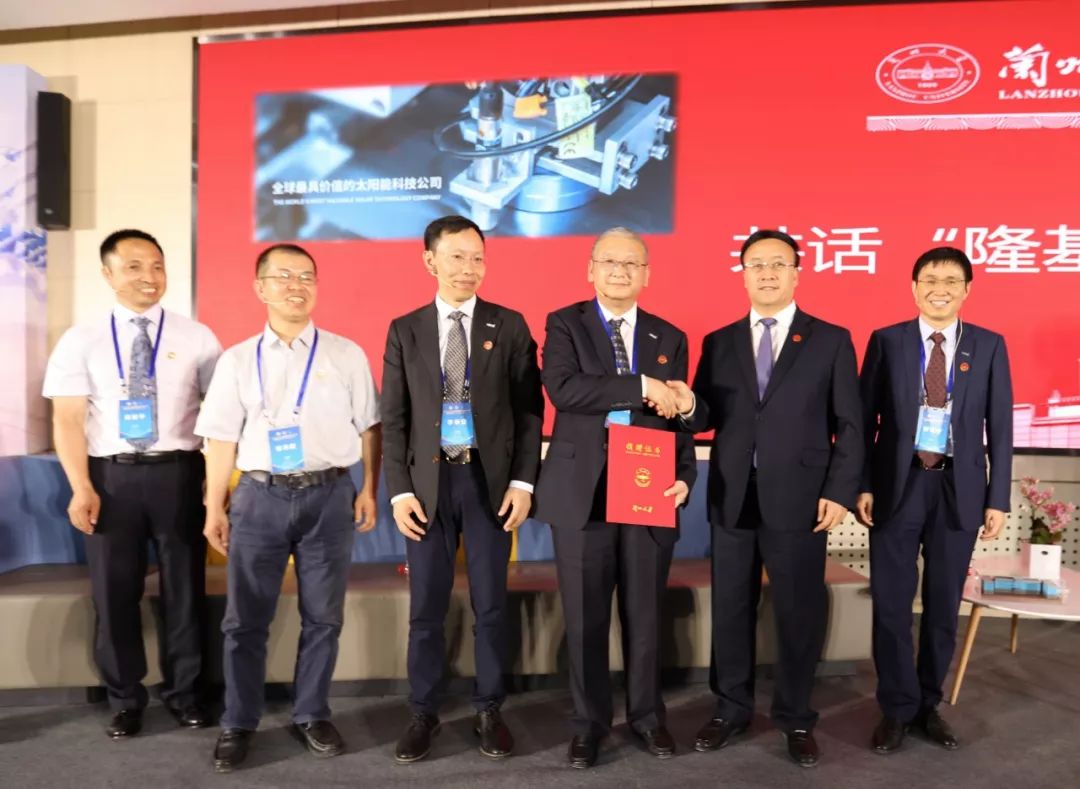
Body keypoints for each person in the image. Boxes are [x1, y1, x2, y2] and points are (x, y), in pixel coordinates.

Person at [670, 228, 862, 767]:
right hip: (732, 495)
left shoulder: (830, 339)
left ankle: (796, 717)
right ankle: (730, 708)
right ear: (744, 274)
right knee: (731, 607)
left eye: (778, 264)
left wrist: (839, 491)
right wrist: (687, 405)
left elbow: (849, 424)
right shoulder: (720, 341)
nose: (767, 273)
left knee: (798, 610)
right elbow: (705, 416)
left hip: (801, 498)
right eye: (756, 264)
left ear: (797, 274)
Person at [196, 243, 381, 772]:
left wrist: (369, 488)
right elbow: (220, 438)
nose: (296, 286)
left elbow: (371, 428)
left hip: (330, 494)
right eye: (283, 276)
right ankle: (238, 721)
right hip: (259, 496)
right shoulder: (236, 360)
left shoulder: (345, 354)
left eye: (306, 276)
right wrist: (214, 506)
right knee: (244, 620)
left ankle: (312, 713)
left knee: (323, 616)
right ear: (260, 287)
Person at [43, 229, 222, 738]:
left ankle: (186, 694)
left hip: (179, 473)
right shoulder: (81, 339)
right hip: (111, 477)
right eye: (135, 266)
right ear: (108, 274)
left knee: (184, 589)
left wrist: (215, 484)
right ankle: (125, 698)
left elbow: (221, 416)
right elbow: (67, 420)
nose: (150, 277)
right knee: (114, 591)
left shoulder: (197, 337)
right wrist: (81, 486)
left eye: (158, 266)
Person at [381, 215, 543, 763]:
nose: (469, 268)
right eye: (457, 256)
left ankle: (489, 708)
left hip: (488, 483)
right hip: (427, 487)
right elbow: (394, 419)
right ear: (430, 260)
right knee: (426, 607)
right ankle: (423, 711)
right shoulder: (405, 329)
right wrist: (399, 492)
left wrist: (523, 481)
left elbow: (529, 412)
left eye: (477, 257)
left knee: (491, 604)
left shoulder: (509, 325)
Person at [535, 227, 696, 768]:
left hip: (649, 488)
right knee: (585, 617)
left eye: (632, 263)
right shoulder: (565, 323)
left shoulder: (669, 335)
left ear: (647, 274)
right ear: (591, 269)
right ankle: (589, 724)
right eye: (610, 261)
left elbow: (677, 419)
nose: (621, 271)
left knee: (645, 614)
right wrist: (642, 386)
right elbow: (565, 390)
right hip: (582, 492)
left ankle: (648, 718)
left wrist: (685, 477)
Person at [856, 246, 1012, 754]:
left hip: (958, 489)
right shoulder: (887, 341)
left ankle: (928, 706)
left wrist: (998, 497)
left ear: (967, 290)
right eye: (929, 279)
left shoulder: (988, 345)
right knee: (891, 605)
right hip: (897, 486)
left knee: (944, 606)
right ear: (914, 287)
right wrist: (863, 483)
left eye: (950, 281)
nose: (938, 289)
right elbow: (864, 420)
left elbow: (1000, 427)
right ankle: (896, 708)